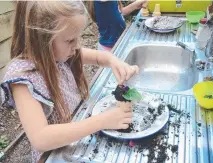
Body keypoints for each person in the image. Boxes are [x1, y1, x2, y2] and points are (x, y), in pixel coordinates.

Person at [0, 1, 139, 163]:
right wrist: (102, 120)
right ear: (42, 40)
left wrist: (115, 62)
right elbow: (40, 138)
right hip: (55, 155)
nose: (77, 46)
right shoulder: (23, 78)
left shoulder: (60, 53)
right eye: (70, 40)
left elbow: (98, 57)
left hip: (77, 140)